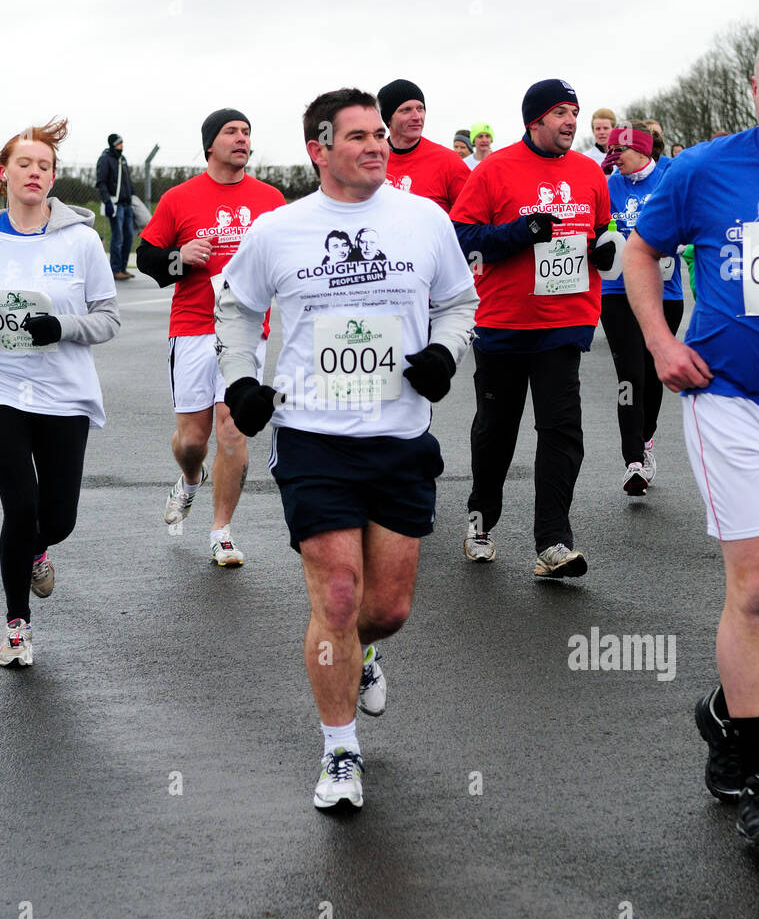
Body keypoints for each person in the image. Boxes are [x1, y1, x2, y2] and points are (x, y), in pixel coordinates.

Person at [215, 88, 476, 811]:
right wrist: (240, 382)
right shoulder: (279, 229)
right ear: (318, 149)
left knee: (385, 608)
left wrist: (445, 356)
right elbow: (233, 309)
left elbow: (458, 302)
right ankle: (339, 752)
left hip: (398, 437)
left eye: (379, 135)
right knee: (337, 594)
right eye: (358, 136)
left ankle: (364, 651)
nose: (375, 145)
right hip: (313, 439)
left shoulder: (424, 220)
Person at [622, 52, 759, 849]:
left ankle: (722, 713)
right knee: (751, 592)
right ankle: (752, 762)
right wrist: (658, 340)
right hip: (728, 400)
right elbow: (640, 249)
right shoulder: (703, 169)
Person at [0, 118, 120, 668]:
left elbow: (108, 318)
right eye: (24, 163)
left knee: (56, 517)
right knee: (19, 505)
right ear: (4, 173)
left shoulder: (82, 240)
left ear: (54, 177)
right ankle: (17, 626)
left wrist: (60, 327)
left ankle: (39, 548)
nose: (34, 172)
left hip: (63, 391)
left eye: (44, 165)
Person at [450, 78, 612, 576]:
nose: (571, 122)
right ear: (534, 120)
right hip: (503, 323)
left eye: (574, 113)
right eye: (561, 112)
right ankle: (481, 520)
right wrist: (520, 232)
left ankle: (553, 544)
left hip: (565, 322)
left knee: (562, 429)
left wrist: (606, 248)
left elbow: (603, 232)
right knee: (496, 431)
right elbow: (461, 237)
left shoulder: (589, 171)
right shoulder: (495, 169)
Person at [136, 108, 284, 566]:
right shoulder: (180, 198)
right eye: (230, 132)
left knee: (232, 427)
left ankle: (221, 531)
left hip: (246, 330)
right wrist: (181, 258)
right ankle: (190, 479)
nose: (241, 139)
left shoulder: (271, 199)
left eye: (246, 132)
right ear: (209, 145)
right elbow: (146, 258)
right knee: (193, 439)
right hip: (193, 327)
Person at [598, 125, 682, 496]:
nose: (613, 157)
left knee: (652, 370)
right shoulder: (607, 184)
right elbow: (595, 228)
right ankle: (633, 460)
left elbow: (691, 225)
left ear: (643, 151)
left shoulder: (669, 178)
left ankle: (646, 441)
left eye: (620, 151)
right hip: (618, 290)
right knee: (630, 373)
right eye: (610, 151)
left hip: (665, 291)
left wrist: (672, 245)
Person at [378, 78, 470, 212]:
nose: (417, 117)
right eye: (406, 110)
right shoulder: (372, 158)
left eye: (420, 109)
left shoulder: (448, 161)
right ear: (388, 118)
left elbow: (470, 219)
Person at [96, 133, 135, 281]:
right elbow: (101, 182)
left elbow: (127, 180)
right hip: (115, 205)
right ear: (113, 144)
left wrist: (132, 194)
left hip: (127, 204)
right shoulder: (105, 159)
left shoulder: (122, 160)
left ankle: (123, 268)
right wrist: (107, 201)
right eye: (119, 143)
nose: (121, 146)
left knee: (129, 237)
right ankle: (115, 269)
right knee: (117, 237)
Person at [583, 107, 617, 173]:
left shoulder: (623, 157)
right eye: (598, 129)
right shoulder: (585, 158)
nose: (602, 132)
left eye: (605, 128)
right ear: (593, 131)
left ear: (614, 130)